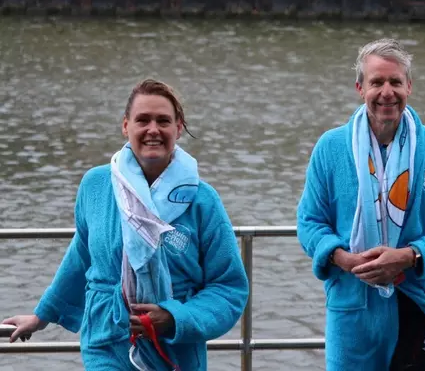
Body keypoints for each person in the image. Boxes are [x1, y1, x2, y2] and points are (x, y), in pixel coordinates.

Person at [3, 79, 248, 370]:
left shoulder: (202, 200)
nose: (153, 129)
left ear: (178, 128)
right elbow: (82, 256)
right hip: (105, 343)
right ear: (125, 126)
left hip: (174, 351)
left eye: (163, 121)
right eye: (142, 120)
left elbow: (228, 287)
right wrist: (42, 316)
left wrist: (174, 319)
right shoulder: (96, 185)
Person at [296, 38, 425, 371]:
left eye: (395, 82)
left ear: (409, 86)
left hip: (416, 302)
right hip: (352, 308)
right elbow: (309, 222)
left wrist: (409, 256)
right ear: (360, 89)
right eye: (377, 82)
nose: (386, 92)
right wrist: (342, 258)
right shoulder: (331, 147)